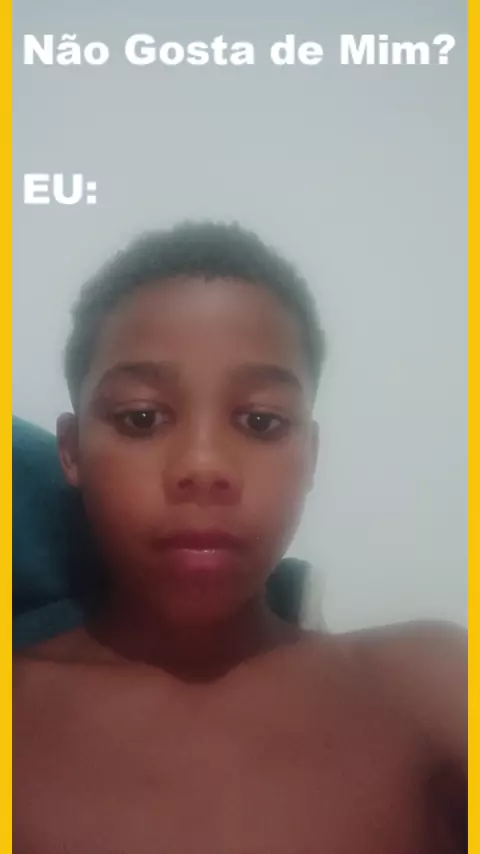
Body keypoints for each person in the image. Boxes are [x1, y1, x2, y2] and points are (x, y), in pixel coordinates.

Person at [13, 221, 467, 854]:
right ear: (71, 451)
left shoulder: (426, 689)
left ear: (309, 457)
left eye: (260, 422)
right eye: (141, 418)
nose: (204, 466)